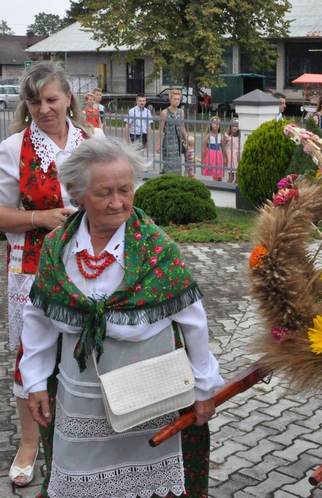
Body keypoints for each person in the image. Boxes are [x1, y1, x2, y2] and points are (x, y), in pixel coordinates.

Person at [20, 138, 224, 497]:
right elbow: (38, 317)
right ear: (78, 194)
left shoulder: (156, 248)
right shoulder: (57, 248)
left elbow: (193, 320)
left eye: (125, 190)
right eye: (104, 193)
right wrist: (34, 381)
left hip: (151, 397)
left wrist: (205, 387)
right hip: (81, 395)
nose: (118, 203)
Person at [0, 61, 105, 488]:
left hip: (90, 268)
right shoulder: (14, 148)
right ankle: (29, 443)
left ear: (68, 97)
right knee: (30, 356)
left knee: (83, 351)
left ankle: (83, 437)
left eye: (51, 99)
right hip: (31, 271)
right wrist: (39, 217)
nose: (44, 108)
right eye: (35, 101)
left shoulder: (93, 142)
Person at [157, 88, 187, 175]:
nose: (177, 101)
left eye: (178, 99)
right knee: (169, 164)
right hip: (168, 142)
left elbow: (182, 127)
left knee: (177, 164)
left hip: (177, 142)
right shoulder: (165, 112)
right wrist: (158, 144)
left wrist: (186, 140)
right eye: (175, 99)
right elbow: (161, 129)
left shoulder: (181, 112)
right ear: (170, 99)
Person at [202, 116, 225, 181]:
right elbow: (204, 148)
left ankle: (219, 188)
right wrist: (203, 159)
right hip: (211, 156)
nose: (216, 125)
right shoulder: (207, 136)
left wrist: (226, 158)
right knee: (215, 175)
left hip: (219, 156)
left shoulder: (221, 136)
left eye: (218, 124)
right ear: (211, 124)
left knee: (220, 177)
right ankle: (216, 188)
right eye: (214, 123)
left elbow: (223, 148)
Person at [224, 118, 240, 183]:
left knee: (238, 178)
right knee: (231, 177)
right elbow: (223, 147)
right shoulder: (227, 136)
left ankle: (234, 190)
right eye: (233, 126)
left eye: (236, 126)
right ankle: (227, 190)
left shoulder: (240, 136)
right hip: (231, 157)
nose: (234, 128)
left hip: (238, 157)